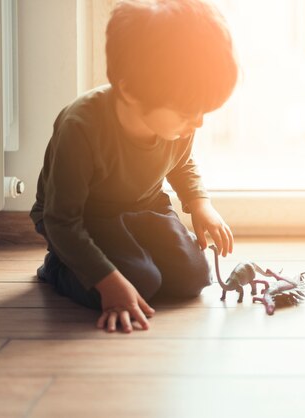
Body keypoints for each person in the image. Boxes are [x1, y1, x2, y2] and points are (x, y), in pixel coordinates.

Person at [30, 0, 238, 333]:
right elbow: (61, 219)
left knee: (193, 277)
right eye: (188, 113)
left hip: (142, 207)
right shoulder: (81, 126)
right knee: (140, 281)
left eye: (202, 112)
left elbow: (181, 163)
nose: (197, 122)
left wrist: (200, 204)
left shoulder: (179, 123)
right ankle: (58, 267)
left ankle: (129, 257)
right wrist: (107, 282)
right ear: (129, 89)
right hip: (80, 219)